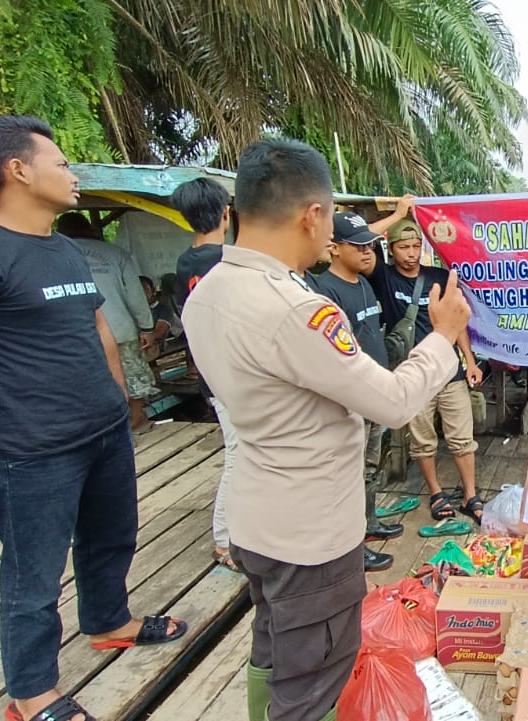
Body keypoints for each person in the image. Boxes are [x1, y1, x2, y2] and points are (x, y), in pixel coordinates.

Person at [180, 137, 470, 721]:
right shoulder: (296, 308)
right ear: (313, 216)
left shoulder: (207, 291)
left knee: (273, 646)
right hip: (310, 534)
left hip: (256, 517)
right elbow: (390, 401)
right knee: (314, 679)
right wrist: (443, 337)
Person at [0, 115, 185, 721]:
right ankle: (31, 692)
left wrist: (114, 400)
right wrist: (13, 401)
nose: (73, 174)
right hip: (30, 450)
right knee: (32, 577)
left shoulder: (61, 248)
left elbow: (95, 330)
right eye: (61, 163)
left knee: (111, 538)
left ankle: (110, 621)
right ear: (18, 170)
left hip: (104, 430)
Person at [367, 214, 485, 523]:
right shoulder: (383, 277)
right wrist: (395, 215)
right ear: (390, 249)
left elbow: (456, 322)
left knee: (462, 437)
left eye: (417, 246)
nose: (411, 254)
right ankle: (435, 492)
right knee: (422, 441)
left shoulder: (439, 276)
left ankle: (470, 494)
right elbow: (355, 240)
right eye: (403, 247)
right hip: (413, 375)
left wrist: (470, 361)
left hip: (449, 372)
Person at [311, 211, 402, 572]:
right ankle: (353, 545)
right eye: (359, 245)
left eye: (371, 244)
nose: (368, 252)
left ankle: (369, 522)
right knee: (349, 473)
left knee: (368, 467)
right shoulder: (324, 291)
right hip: (351, 400)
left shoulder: (362, 282)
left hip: (374, 390)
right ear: (333, 248)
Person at [170, 177, 239, 571]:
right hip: (231, 374)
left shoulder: (186, 263)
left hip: (210, 372)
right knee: (239, 455)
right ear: (226, 213)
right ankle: (224, 541)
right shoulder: (227, 260)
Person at [56, 212, 160, 431]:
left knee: (89, 382)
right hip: (120, 327)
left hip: (79, 334)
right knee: (133, 376)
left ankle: (102, 426)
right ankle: (135, 419)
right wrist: (147, 327)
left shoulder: (55, 255)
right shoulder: (115, 254)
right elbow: (135, 295)